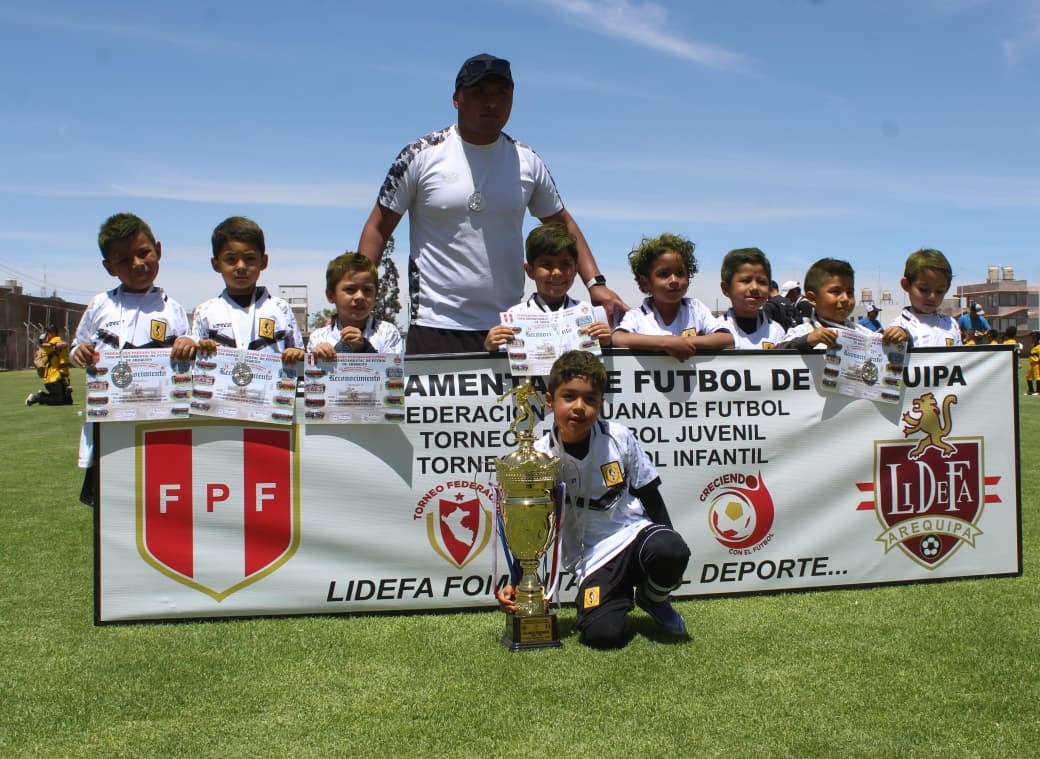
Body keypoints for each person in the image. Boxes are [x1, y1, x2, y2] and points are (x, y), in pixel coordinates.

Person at [356, 53, 626, 355]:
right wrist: (359, 293)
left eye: (502, 93)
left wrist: (595, 283)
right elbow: (378, 228)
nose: (492, 103)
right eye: (480, 93)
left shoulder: (527, 161)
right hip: (435, 325)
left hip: (512, 325)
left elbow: (564, 224)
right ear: (457, 99)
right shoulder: (420, 154)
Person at [496, 351, 691, 648]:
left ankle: (654, 599)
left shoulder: (619, 437)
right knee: (604, 635)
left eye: (590, 399)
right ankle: (618, 596)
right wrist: (520, 579)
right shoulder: (540, 456)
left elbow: (650, 494)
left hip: (633, 534)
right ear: (550, 401)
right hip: (592, 557)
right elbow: (531, 526)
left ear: (601, 404)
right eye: (569, 397)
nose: (579, 407)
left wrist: (670, 546)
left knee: (671, 548)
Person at [72, 212, 195, 506]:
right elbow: (78, 346)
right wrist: (79, 353)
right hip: (109, 423)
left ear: (159, 250)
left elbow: (188, 352)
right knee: (110, 508)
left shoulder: (173, 309)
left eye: (143, 253)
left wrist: (186, 344)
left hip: (160, 422)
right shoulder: (100, 305)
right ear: (108, 267)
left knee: (159, 500)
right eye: (124, 260)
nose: (137, 264)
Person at [191, 216, 304, 364]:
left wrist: (297, 354)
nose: (241, 267)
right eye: (231, 259)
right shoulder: (205, 311)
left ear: (263, 262)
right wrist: (201, 348)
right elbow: (194, 362)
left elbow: (301, 358)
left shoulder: (280, 308)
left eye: (249, 258)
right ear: (216, 264)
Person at [483, 223, 611, 352]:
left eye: (565, 264)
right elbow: (504, 360)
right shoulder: (515, 315)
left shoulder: (588, 312)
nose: (557, 272)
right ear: (530, 271)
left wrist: (606, 342)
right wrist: (491, 346)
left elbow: (605, 361)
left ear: (575, 269)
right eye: (547, 264)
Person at [612, 233, 734, 361]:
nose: (674, 280)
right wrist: (666, 343)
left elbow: (727, 339)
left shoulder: (695, 309)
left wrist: (684, 342)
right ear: (645, 283)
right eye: (664, 274)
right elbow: (618, 338)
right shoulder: (637, 316)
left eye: (680, 273)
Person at [309, 253, 402, 357]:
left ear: (376, 295)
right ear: (331, 296)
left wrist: (365, 348)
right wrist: (317, 358)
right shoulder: (318, 338)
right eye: (350, 289)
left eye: (367, 290)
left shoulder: (388, 333)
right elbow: (310, 371)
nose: (360, 296)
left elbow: (393, 371)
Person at [775, 258, 878, 350]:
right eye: (836, 292)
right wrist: (807, 341)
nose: (846, 299)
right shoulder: (802, 332)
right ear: (812, 298)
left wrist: (892, 339)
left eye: (850, 292)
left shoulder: (864, 335)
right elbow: (772, 356)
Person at [882, 249, 961, 348]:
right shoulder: (898, 326)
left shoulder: (951, 325)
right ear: (906, 285)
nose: (932, 297)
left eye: (939, 291)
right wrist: (898, 338)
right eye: (923, 289)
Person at [719, 248, 786, 349]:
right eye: (746, 280)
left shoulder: (776, 331)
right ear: (726, 289)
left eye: (762, 282)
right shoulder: (716, 329)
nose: (754, 287)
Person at [26, 326, 73, 406]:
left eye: (48, 333)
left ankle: (43, 396)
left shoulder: (53, 343)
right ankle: (37, 397)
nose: (47, 336)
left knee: (68, 402)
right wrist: (61, 344)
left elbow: (61, 345)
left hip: (61, 377)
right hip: (52, 379)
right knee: (57, 401)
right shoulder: (48, 347)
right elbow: (61, 344)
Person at [1026, 331, 1040, 396]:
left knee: (1037, 377)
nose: (1032, 339)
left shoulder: (1039, 347)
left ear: (1037, 339)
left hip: (1036, 364)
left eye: (1033, 338)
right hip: (1031, 364)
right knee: (1028, 376)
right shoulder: (1033, 346)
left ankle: (1038, 391)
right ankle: (1031, 390)